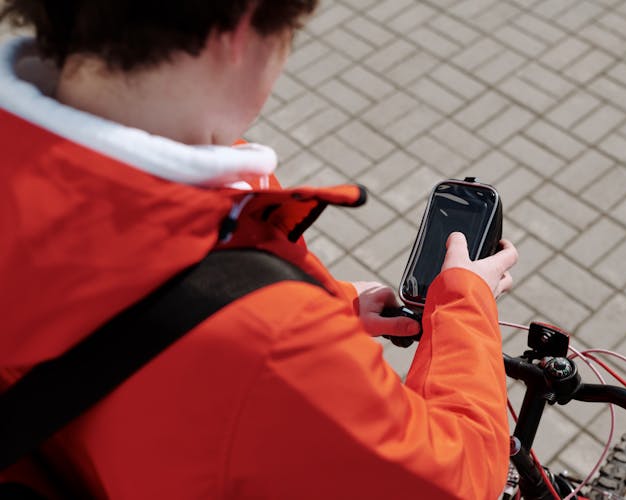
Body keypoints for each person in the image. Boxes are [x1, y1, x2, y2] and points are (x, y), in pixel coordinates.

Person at [0, 0, 519, 498]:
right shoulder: (273, 341)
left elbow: (132, 307)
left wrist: (325, 305)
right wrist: (465, 307)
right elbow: (455, 481)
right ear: (242, 27)